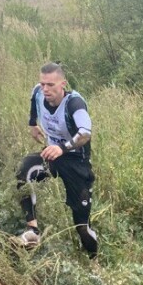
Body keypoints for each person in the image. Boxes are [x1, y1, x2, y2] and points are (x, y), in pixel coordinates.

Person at [15, 62, 99, 256]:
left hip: (77, 162)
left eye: (50, 85)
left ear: (63, 84)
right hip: (53, 154)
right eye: (43, 83)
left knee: (82, 226)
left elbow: (85, 133)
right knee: (24, 170)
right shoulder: (38, 92)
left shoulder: (74, 103)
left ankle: (94, 261)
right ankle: (32, 231)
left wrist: (63, 148)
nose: (45, 89)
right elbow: (33, 100)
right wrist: (32, 124)